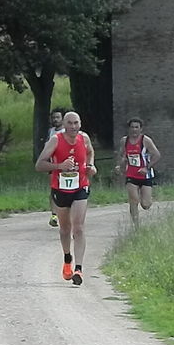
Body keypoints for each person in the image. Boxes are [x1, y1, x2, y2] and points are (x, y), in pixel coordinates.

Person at [35, 111, 97, 285]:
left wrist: (91, 166)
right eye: (69, 123)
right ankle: (67, 258)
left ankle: (79, 269)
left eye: (76, 123)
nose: (73, 127)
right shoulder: (55, 140)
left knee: (79, 228)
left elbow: (90, 153)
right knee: (65, 229)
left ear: (80, 123)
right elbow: (39, 164)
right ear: (64, 124)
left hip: (80, 187)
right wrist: (59, 166)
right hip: (60, 189)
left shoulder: (84, 138)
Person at [115, 117, 161, 227]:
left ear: (141, 129)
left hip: (145, 176)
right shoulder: (124, 141)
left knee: (145, 205)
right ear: (128, 129)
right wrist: (120, 165)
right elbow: (122, 155)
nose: (134, 130)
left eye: (137, 127)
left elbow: (157, 155)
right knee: (133, 200)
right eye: (132, 127)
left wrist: (147, 168)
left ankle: (146, 197)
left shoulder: (146, 140)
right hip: (131, 175)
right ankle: (136, 227)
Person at [47, 108, 65, 227]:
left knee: (64, 190)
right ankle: (54, 215)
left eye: (58, 117)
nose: (55, 120)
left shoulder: (66, 132)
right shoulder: (51, 131)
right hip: (53, 164)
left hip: (64, 165)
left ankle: (65, 214)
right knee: (53, 189)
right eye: (54, 117)